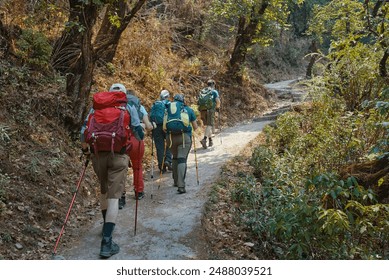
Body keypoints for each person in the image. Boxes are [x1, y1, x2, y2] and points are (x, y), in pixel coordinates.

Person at [80, 83, 134, 258]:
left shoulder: (95, 109)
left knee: (103, 191)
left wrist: (86, 150)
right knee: (113, 197)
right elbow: (139, 132)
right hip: (118, 156)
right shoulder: (127, 108)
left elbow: (84, 133)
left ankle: (105, 227)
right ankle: (107, 242)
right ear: (123, 95)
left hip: (98, 155)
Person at [118, 89, 154, 209]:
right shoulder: (140, 107)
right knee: (137, 166)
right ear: (135, 97)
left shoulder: (118, 106)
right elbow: (148, 126)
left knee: (120, 169)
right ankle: (138, 192)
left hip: (121, 141)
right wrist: (151, 125)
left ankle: (121, 197)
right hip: (136, 140)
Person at [164, 94, 198, 194]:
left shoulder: (168, 109)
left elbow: (164, 125)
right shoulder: (188, 110)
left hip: (170, 137)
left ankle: (175, 182)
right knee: (181, 159)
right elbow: (195, 127)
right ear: (183, 101)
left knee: (175, 157)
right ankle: (181, 185)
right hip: (184, 137)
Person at [150, 90, 173, 174]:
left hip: (156, 126)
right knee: (169, 143)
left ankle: (161, 166)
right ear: (167, 96)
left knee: (159, 146)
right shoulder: (169, 104)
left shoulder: (155, 104)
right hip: (166, 126)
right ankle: (168, 160)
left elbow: (150, 116)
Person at [198, 79, 220, 149]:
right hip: (210, 110)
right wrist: (217, 108)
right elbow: (218, 101)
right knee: (210, 125)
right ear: (213, 84)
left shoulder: (203, 91)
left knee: (207, 126)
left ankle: (210, 140)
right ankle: (204, 139)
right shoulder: (214, 91)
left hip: (202, 110)